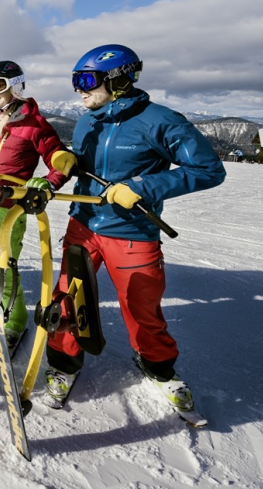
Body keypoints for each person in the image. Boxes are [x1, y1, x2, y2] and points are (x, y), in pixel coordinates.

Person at [44, 44, 226, 412]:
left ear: (119, 79)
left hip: (131, 233)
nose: (79, 89)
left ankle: (158, 368)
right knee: (67, 299)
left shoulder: (161, 121)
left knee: (141, 305)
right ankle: (64, 364)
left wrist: (143, 187)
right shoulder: (86, 121)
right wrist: (64, 164)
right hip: (83, 224)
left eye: (86, 80)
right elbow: (85, 166)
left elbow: (209, 170)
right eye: (75, 81)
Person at [0, 61, 69, 348]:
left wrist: (49, 181)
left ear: (15, 86)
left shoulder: (34, 124)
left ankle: (15, 319)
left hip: (10, 202)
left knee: (4, 263)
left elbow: (58, 157)